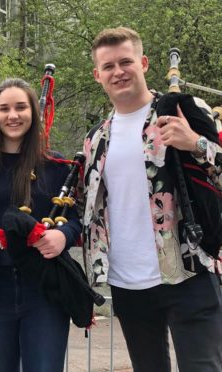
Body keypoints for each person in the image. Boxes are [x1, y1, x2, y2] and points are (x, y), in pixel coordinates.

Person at [81, 26, 222, 372]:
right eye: (109, 66)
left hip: (189, 272)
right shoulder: (95, 139)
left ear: (143, 63)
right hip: (128, 282)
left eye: (126, 61)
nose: (119, 72)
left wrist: (195, 144)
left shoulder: (183, 110)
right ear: (97, 75)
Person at [0, 78, 81, 372]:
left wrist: (63, 236)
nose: (12, 115)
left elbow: (76, 220)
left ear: (33, 112)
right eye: (4, 108)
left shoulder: (55, 166)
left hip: (44, 291)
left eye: (20, 107)